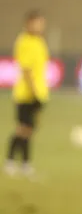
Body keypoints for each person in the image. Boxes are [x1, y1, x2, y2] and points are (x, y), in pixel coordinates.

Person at [5, 10, 49, 178]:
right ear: (29, 23)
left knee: (29, 130)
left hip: (39, 93)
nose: (40, 26)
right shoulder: (24, 41)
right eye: (38, 23)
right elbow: (26, 69)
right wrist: (34, 92)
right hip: (26, 94)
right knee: (22, 129)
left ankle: (25, 164)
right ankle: (10, 161)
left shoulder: (40, 42)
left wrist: (41, 94)